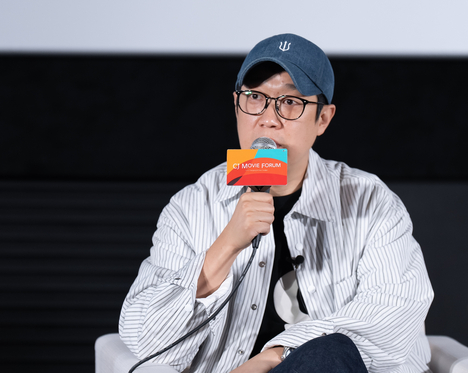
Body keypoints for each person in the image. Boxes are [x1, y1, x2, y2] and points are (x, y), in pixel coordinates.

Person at [119, 33, 434, 373]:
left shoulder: (371, 202)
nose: (268, 118)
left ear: (323, 119)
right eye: (255, 97)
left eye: (290, 102)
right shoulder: (192, 206)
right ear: (236, 105)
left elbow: (394, 314)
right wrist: (225, 246)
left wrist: (279, 355)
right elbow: (145, 340)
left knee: (329, 354)